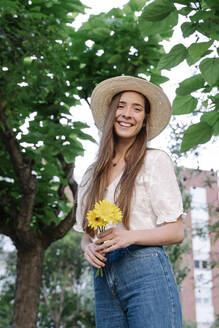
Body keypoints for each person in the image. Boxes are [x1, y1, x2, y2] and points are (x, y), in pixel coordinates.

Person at [74, 75, 185, 328]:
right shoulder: (92, 174)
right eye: (121, 106)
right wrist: (88, 247)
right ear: (111, 112)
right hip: (103, 277)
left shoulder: (154, 161)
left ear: (144, 120)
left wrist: (129, 236)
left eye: (137, 109)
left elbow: (176, 230)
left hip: (146, 270)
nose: (127, 114)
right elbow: (85, 234)